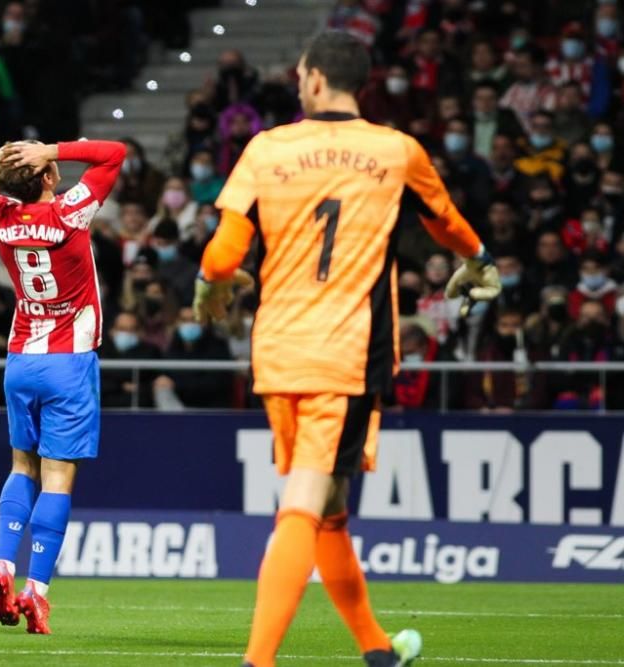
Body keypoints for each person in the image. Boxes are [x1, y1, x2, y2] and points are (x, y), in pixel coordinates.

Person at [194, 31, 500, 667]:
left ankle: (379, 651)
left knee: (328, 506)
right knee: (307, 497)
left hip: (277, 352)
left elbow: (224, 253)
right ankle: (257, 662)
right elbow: (443, 221)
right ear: (358, 84)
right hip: (346, 350)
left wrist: (208, 289)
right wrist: (477, 259)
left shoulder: (266, 147)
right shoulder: (394, 150)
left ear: (309, 80)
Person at [0, 137, 125, 634]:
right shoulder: (70, 212)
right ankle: (36, 591)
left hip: (20, 359)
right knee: (58, 476)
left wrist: (1, 156)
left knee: (20, 466)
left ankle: (3, 564)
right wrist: (50, 147)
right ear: (49, 176)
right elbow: (113, 153)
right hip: (68, 362)